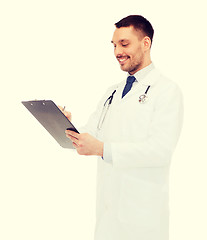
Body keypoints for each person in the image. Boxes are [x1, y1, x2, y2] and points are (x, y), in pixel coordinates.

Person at [61, 15, 183, 240]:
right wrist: (65, 125)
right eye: (114, 45)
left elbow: (160, 151)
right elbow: (90, 135)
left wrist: (102, 149)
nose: (117, 51)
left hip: (143, 220)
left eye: (124, 44)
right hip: (108, 217)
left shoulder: (167, 91)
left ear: (145, 44)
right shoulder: (112, 92)